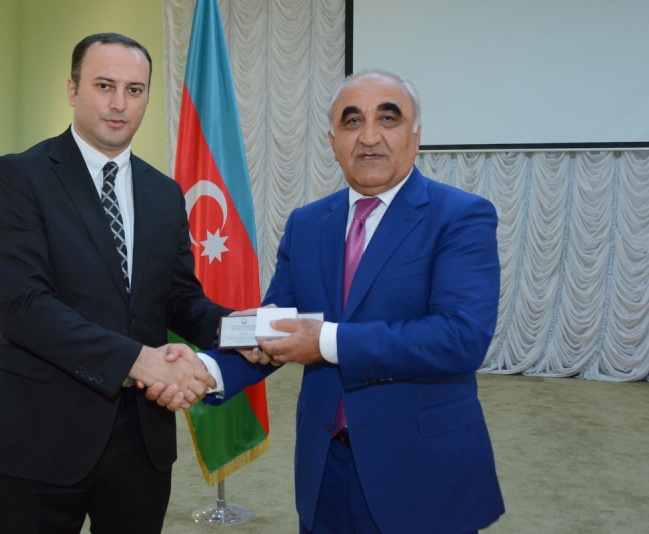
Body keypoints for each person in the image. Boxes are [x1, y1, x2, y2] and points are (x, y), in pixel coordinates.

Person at [151, 69, 505, 532]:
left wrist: (325, 341)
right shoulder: (307, 223)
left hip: (421, 471)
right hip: (325, 469)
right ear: (333, 140)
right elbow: (279, 331)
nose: (369, 136)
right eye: (352, 121)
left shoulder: (460, 216)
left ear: (416, 135)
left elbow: (461, 338)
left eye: (388, 119)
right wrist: (205, 369)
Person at [0, 32, 232, 533]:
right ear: (72, 89)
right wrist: (140, 360)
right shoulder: (18, 177)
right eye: (104, 85)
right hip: (41, 430)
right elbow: (26, 307)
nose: (119, 103)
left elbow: (178, 297)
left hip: (141, 435)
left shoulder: (165, 193)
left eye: (135, 89)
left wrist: (241, 329)